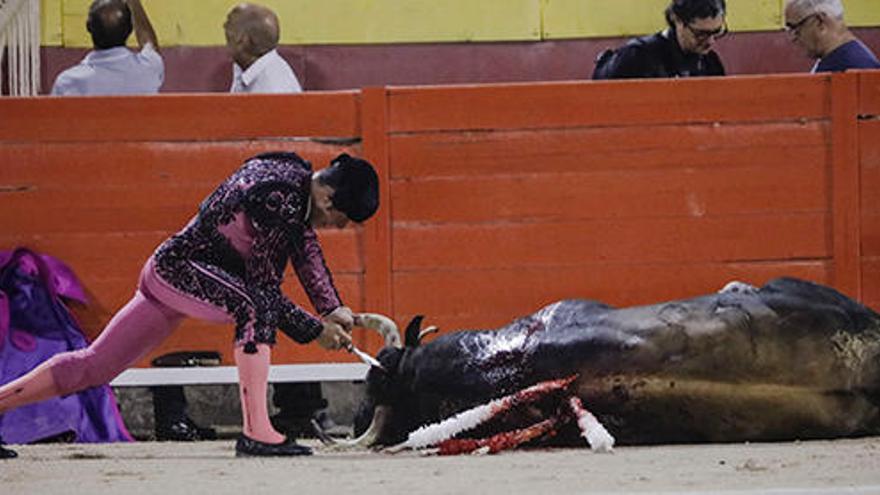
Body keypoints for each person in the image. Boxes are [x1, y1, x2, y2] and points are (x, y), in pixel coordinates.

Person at [0, 151, 379, 457]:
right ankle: (257, 433)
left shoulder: (289, 171)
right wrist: (315, 331)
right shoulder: (281, 202)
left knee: (93, 367)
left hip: (169, 269)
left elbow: (303, 242)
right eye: (341, 218)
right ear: (327, 197)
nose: (339, 227)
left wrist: (331, 307)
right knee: (255, 306)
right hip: (180, 274)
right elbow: (263, 287)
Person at [51, 0, 164, 96]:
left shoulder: (68, 82)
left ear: (88, 27)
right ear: (130, 29)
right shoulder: (149, 68)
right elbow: (149, 44)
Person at [593, 0, 727, 80]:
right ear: (677, 20)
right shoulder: (636, 56)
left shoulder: (710, 63)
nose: (710, 42)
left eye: (716, 32)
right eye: (700, 34)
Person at [224, 3, 302, 93]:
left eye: (229, 25)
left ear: (242, 39)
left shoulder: (273, 88)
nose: (224, 28)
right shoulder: (246, 66)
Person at [784, 0, 880, 73]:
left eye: (795, 28)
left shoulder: (854, 68)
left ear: (819, 22)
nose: (793, 38)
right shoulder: (847, 61)